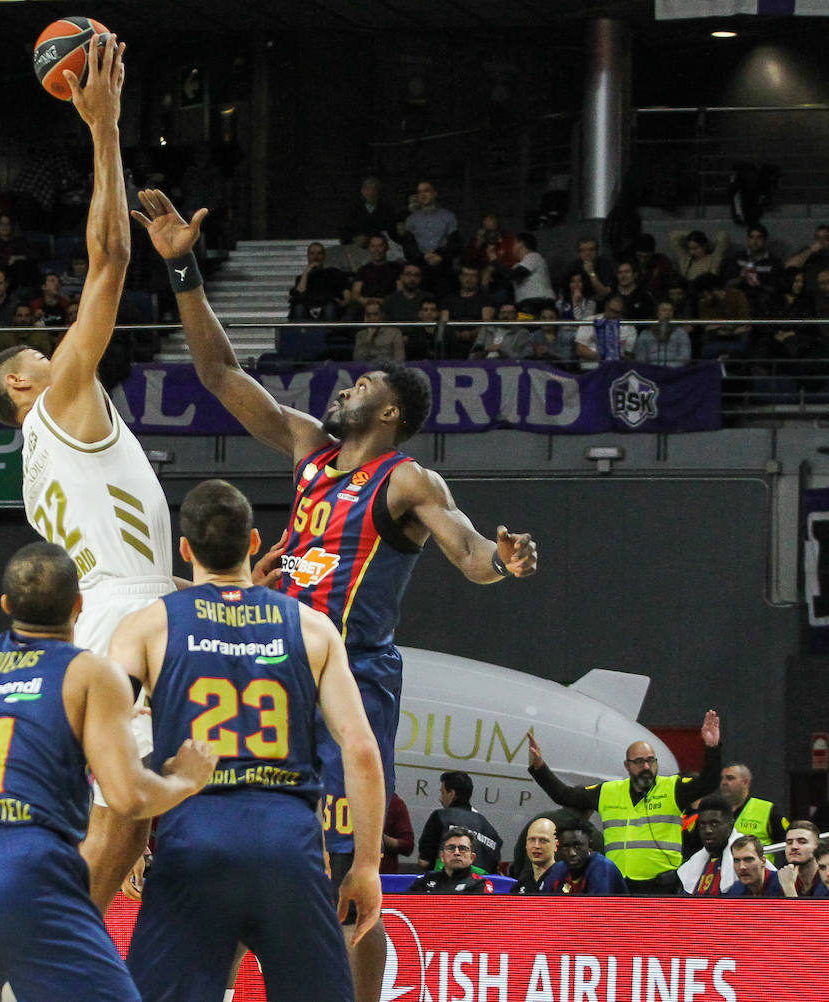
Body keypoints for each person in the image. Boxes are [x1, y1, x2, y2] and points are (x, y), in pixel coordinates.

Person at [129, 185, 537, 1002]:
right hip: (273, 667)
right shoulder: (309, 448)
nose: (341, 388)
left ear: (386, 411)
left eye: (358, 385)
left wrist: (504, 558)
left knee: (351, 873)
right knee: (247, 836)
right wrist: (183, 270)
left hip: (353, 677)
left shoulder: (405, 479)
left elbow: (466, 553)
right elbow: (218, 372)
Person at [0, 35, 177, 916]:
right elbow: (111, 261)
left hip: (119, 609)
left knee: (130, 822)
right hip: (126, 612)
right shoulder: (58, 405)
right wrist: (105, 127)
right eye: (41, 351)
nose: (60, 352)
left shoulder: (35, 463)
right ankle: (53, 957)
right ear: (25, 382)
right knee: (124, 824)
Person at [110, 480, 384, 1002]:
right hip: (289, 845)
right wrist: (367, 865)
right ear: (255, 543)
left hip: (194, 839)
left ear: (185, 549)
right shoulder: (312, 626)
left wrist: (128, 835)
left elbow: (102, 734)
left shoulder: (146, 626)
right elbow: (362, 749)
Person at [0, 536, 218, 1002]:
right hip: (21, 868)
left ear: (5, 604)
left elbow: (22, 729)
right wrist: (185, 780)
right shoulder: (90, 671)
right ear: (79, 604)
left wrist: (91, 726)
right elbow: (129, 797)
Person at [527, 711, 722, 894]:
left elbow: (709, 782)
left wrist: (712, 748)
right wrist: (540, 768)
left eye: (651, 760)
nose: (646, 766)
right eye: (639, 762)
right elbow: (564, 795)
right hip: (619, 886)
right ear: (627, 765)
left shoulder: (673, 788)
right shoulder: (609, 791)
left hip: (662, 887)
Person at [416, 770, 503, 873]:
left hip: (445, 885)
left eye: (443, 793)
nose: (440, 798)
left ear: (452, 794)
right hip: (480, 887)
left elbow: (424, 862)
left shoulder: (440, 817)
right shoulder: (489, 829)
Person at [541, 818, 628, 895]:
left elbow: (596, 911)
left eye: (577, 846)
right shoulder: (557, 870)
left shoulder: (603, 868)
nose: (572, 853)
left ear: (589, 846)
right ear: (558, 848)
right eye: (565, 847)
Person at [677, 795, 738, 896]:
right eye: (702, 824)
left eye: (714, 824)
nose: (707, 830)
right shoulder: (691, 866)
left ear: (730, 826)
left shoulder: (746, 860)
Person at [406, 828, 494, 895]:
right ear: (442, 856)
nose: (456, 853)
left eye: (463, 848)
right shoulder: (425, 880)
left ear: (472, 858)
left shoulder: (480, 885)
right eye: (450, 848)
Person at [777, 820, 825, 897]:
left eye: (802, 842)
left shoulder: (826, 878)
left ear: (817, 847)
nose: (794, 847)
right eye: (789, 842)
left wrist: (789, 889)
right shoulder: (781, 878)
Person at [512, 817, 558, 895]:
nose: (536, 846)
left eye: (543, 840)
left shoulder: (564, 880)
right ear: (526, 844)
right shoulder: (519, 886)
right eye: (532, 839)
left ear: (556, 845)